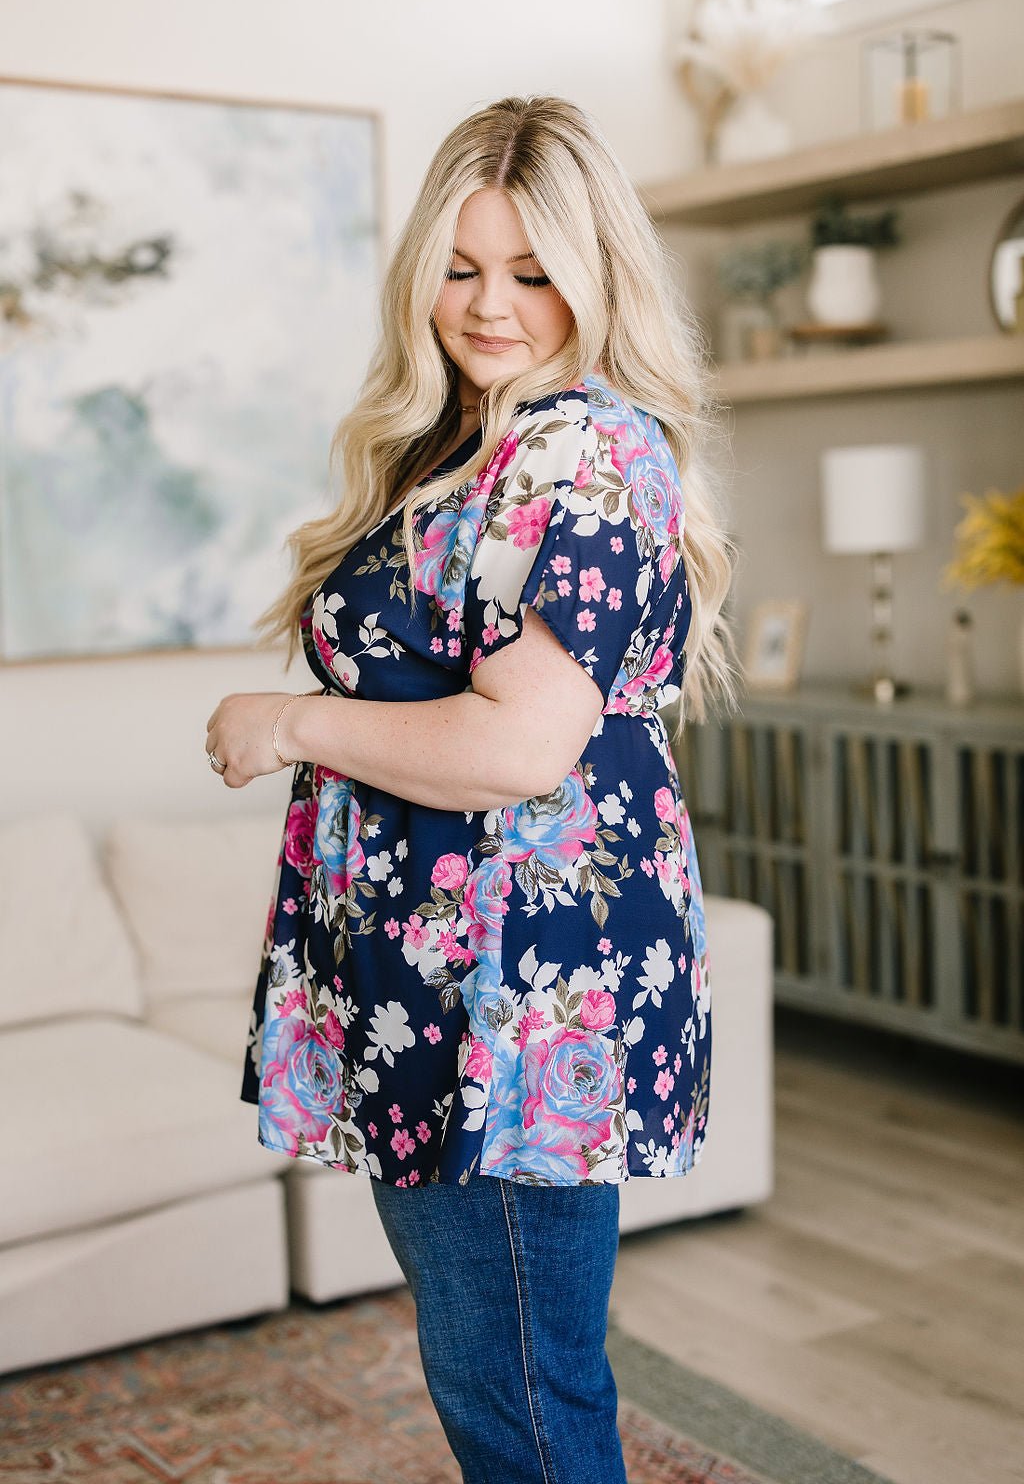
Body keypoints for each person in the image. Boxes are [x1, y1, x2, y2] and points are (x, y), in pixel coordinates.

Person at [205, 94, 738, 1484]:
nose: (490, 305)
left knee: (517, 1390)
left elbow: (520, 748)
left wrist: (289, 721)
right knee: (493, 1365)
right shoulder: (468, 450)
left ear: (597, 278)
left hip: (511, 991)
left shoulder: (581, 451)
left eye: (532, 272)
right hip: (430, 974)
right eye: (460, 267)